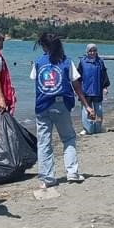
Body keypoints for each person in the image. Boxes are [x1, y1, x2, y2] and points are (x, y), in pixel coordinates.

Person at [31, 33, 96, 188]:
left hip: (42, 106)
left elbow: (34, 78)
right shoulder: (66, 62)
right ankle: (72, 172)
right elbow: (76, 85)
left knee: (44, 143)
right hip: (61, 105)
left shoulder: (39, 62)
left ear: (45, 46)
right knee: (68, 138)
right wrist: (86, 105)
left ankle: (47, 178)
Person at [77, 43, 110, 135]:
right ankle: (87, 129)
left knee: (98, 110)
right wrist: (77, 90)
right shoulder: (82, 62)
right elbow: (77, 77)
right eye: (90, 51)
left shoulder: (100, 62)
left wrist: (105, 87)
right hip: (85, 91)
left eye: (94, 50)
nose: (92, 52)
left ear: (96, 51)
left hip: (97, 90)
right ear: (87, 52)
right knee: (86, 110)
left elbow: (104, 76)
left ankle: (98, 127)